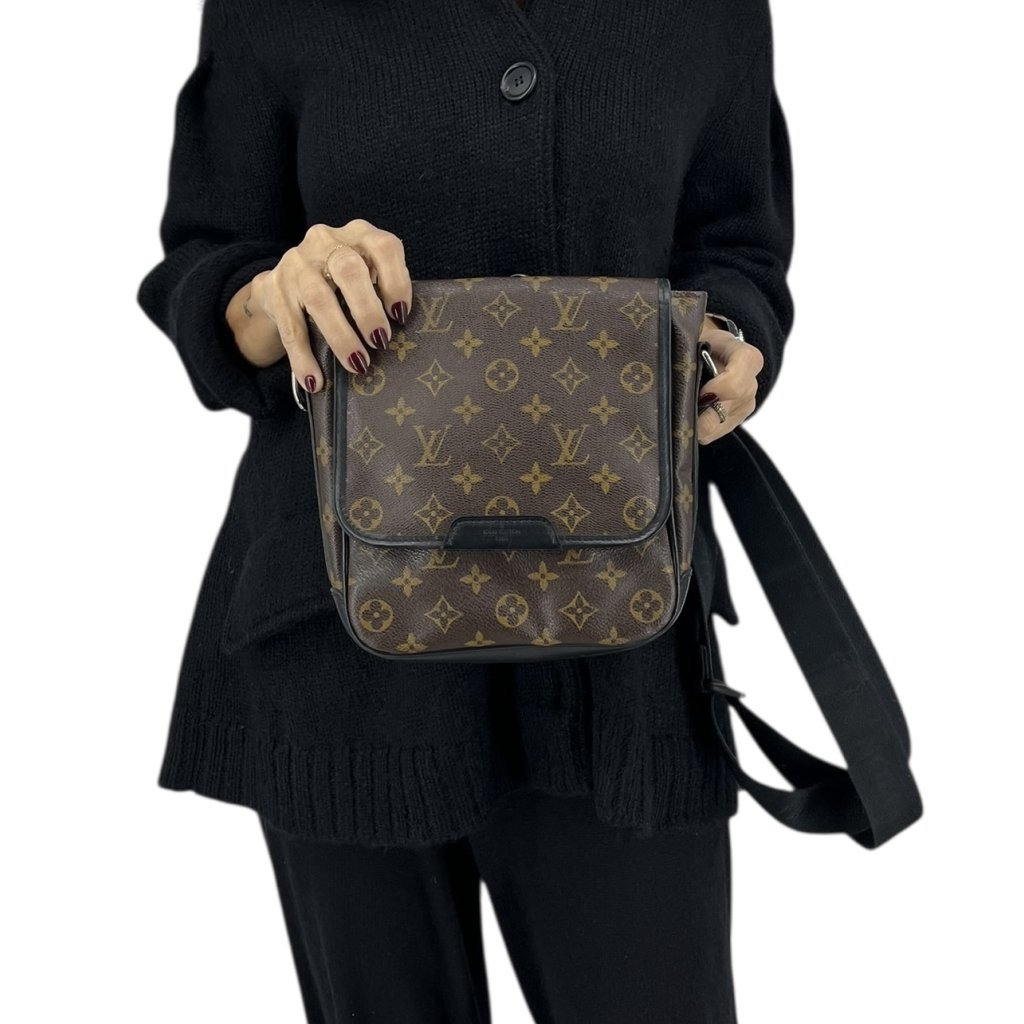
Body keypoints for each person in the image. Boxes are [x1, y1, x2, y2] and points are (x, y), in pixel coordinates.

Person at [136, 0, 794, 1019]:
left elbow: (737, 250)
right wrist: (277, 291)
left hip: (624, 634)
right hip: (336, 630)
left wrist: (733, 343)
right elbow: (205, 257)